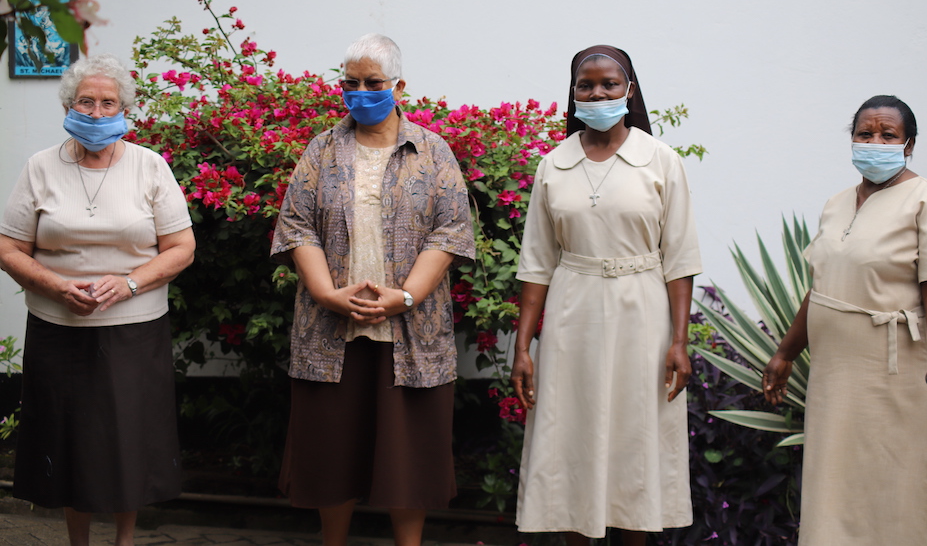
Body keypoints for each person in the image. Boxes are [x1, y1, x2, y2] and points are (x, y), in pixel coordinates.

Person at [270, 33, 475, 546]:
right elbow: (297, 226)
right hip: (331, 330)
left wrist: (404, 297)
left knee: (410, 461)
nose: (361, 92)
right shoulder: (321, 149)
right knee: (331, 454)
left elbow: (450, 231)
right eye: (351, 83)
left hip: (411, 333)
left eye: (373, 83)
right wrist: (325, 293)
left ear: (399, 85)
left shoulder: (432, 151)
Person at [0, 53, 196, 546]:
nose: (96, 113)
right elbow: (8, 247)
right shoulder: (40, 167)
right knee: (69, 445)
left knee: (127, 443)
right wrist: (55, 285)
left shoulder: (150, 167)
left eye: (108, 103)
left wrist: (128, 283)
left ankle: (124, 541)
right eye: (85, 101)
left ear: (124, 110)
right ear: (68, 105)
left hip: (135, 331)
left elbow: (182, 248)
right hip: (58, 331)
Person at [510, 45, 702, 543]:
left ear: (629, 91)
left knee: (634, 438)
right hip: (574, 312)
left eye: (609, 85)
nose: (597, 93)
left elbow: (680, 260)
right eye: (585, 85)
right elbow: (536, 263)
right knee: (572, 434)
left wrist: (679, 341)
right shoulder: (554, 165)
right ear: (572, 96)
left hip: (643, 312)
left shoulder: (660, 161)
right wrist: (522, 348)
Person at [762, 95, 927, 546]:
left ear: (908, 144)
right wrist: (785, 353)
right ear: (851, 139)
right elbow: (821, 287)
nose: (874, 142)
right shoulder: (837, 203)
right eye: (864, 134)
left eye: (887, 135)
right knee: (835, 484)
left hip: (894, 372)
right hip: (836, 373)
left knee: (898, 482)